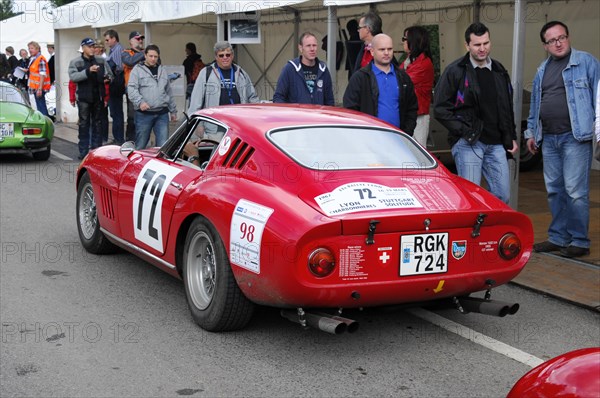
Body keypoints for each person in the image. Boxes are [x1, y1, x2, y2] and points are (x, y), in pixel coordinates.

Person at [524, 21, 599, 258]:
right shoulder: (541, 70)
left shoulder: (586, 62)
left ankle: (579, 240)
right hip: (550, 138)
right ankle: (558, 237)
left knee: (575, 191)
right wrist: (531, 132)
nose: (558, 43)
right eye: (552, 40)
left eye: (562, 37)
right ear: (545, 45)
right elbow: (536, 104)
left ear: (568, 37)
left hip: (575, 137)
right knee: (555, 190)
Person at [433, 23, 518, 204]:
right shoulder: (455, 71)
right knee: (470, 198)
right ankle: (473, 232)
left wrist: (510, 136)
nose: (482, 49)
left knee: (503, 196)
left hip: (496, 144)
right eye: (477, 45)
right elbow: (440, 108)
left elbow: (506, 106)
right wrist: (464, 131)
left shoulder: (499, 69)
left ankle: (491, 231)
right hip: (469, 144)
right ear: (467, 45)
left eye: (486, 43)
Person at [343, 34, 418, 135]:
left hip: (398, 139)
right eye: (382, 49)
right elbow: (350, 110)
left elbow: (412, 107)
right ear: (372, 52)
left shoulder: (403, 77)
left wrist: (406, 133)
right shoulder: (360, 78)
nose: (386, 53)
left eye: (390, 49)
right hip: (370, 140)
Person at [68, 37, 113, 159]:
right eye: (89, 46)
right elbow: (73, 77)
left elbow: (110, 75)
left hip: (98, 96)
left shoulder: (101, 60)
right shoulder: (75, 62)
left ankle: (96, 151)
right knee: (84, 124)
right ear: (83, 48)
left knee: (98, 124)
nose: (92, 49)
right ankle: (83, 151)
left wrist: (107, 78)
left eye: (93, 46)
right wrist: (88, 71)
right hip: (83, 97)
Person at [127, 44, 177, 149]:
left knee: (163, 146)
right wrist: (140, 102)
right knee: (141, 144)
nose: (153, 59)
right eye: (150, 56)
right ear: (145, 55)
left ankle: (159, 165)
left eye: (155, 56)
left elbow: (168, 91)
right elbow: (131, 89)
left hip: (162, 114)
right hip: (144, 114)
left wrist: (173, 111)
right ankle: (139, 165)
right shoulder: (137, 70)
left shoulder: (162, 70)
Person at [188, 41, 259, 113]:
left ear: (232, 56)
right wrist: (193, 120)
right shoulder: (206, 73)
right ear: (216, 57)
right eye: (221, 55)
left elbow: (252, 97)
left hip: (237, 120)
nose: (225, 58)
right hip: (214, 121)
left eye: (227, 55)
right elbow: (196, 101)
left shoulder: (241, 73)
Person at [273, 32, 334, 106]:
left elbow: (329, 101)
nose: (312, 49)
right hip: (296, 117)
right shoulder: (290, 69)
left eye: (314, 45)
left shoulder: (323, 70)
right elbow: (278, 97)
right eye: (308, 46)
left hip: (317, 117)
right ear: (301, 48)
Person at [400, 26, 434, 147]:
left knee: (418, 156)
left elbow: (401, 81)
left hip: (419, 116)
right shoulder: (410, 60)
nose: (402, 41)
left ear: (413, 41)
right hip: (410, 115)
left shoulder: (423, 63)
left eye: (405, 38)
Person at [122, 31, 146, 142]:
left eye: (141, 39)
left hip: (146, 89)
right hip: (132, 89)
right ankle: (130, 141)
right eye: (137, 39)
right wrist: (144, 53)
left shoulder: (147, 54)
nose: (140, 40)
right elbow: (130, 62)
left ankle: (141, 141)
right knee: (132, 117)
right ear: (131, 41)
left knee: (144, 116)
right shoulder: (125, 52)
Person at [104, 29, 126, 145]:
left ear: (114, 38)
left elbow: (119, 68)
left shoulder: (117, 50)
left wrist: (109, 73)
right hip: (115, 85)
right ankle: (117, 137)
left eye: (107, 39)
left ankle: (119, 138)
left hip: (116, 85)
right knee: (115, 112)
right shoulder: (114, 50)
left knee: (116, 112)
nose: (106, 42)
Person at [26, 41, 51, 117]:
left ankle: (45, 124)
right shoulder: (34, 58)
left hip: (38, 88)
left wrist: (40, 89)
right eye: (29, 48)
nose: (30, 50)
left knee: (41, 108)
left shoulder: (40, 59)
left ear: (37, 49)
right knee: (39, 108)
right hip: (34, 87)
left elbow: (42, 74)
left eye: (32, 48)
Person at [94, 39, 110, 144]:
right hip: (97, 91)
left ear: (100, 49)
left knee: (103, 116)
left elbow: (108, 78)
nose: (94, 50)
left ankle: (104, 137)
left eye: (96, 47)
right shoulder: (96, 59)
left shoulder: (104, 60)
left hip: (103, 91)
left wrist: (106, 96)